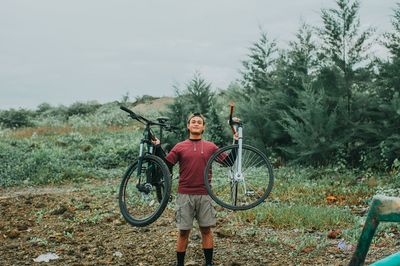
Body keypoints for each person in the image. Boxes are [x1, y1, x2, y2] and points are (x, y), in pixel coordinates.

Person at [154, 112, 237, 266]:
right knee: (183, 232)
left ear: (203, 127)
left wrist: (236, 144)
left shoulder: (211, 146)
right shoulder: (180, 146)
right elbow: (167, 165)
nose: (196, 123)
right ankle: (180, 264)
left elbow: (229, 162)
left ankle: (209, 263)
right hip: (184, 195)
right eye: (193, 121)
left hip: (205, 195)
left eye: (199, 122)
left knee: (206, 231)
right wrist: (158, 148)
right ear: (188, 125)